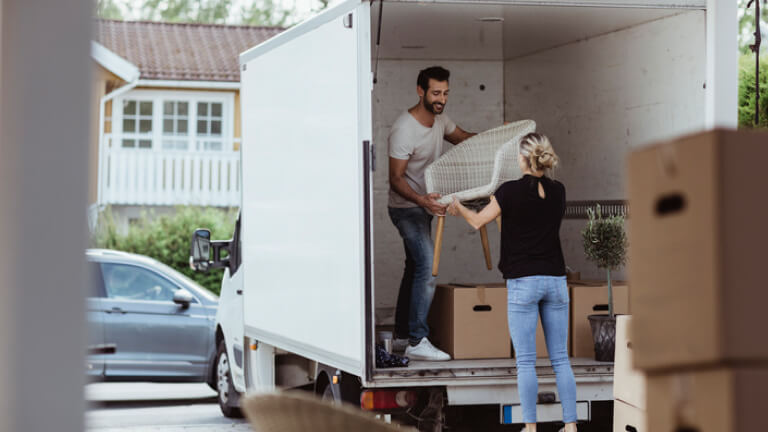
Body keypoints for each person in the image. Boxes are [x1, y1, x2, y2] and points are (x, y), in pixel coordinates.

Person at [447, 133, 577, 432]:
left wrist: (458, 208)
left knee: (526, 362)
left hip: (524, 282)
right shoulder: (559, 191)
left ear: (522, 159)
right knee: (560, 359)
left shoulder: (508, 192)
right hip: (555, 280)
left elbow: (479, 221)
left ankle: (530, 428)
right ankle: (570, 427)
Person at [388, 66, 475, 361]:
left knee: (414, 267)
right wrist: (423, 201)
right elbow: (396, 179)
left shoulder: (440, 119)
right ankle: (417, 339)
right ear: (420, 91)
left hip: (424, 205)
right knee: (427, 265)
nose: (441, 99)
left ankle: (401, 337)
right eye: (436, 93)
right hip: (405, 208)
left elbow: (463, 137)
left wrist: (497, 139)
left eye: (446, 93)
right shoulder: (404, 129)